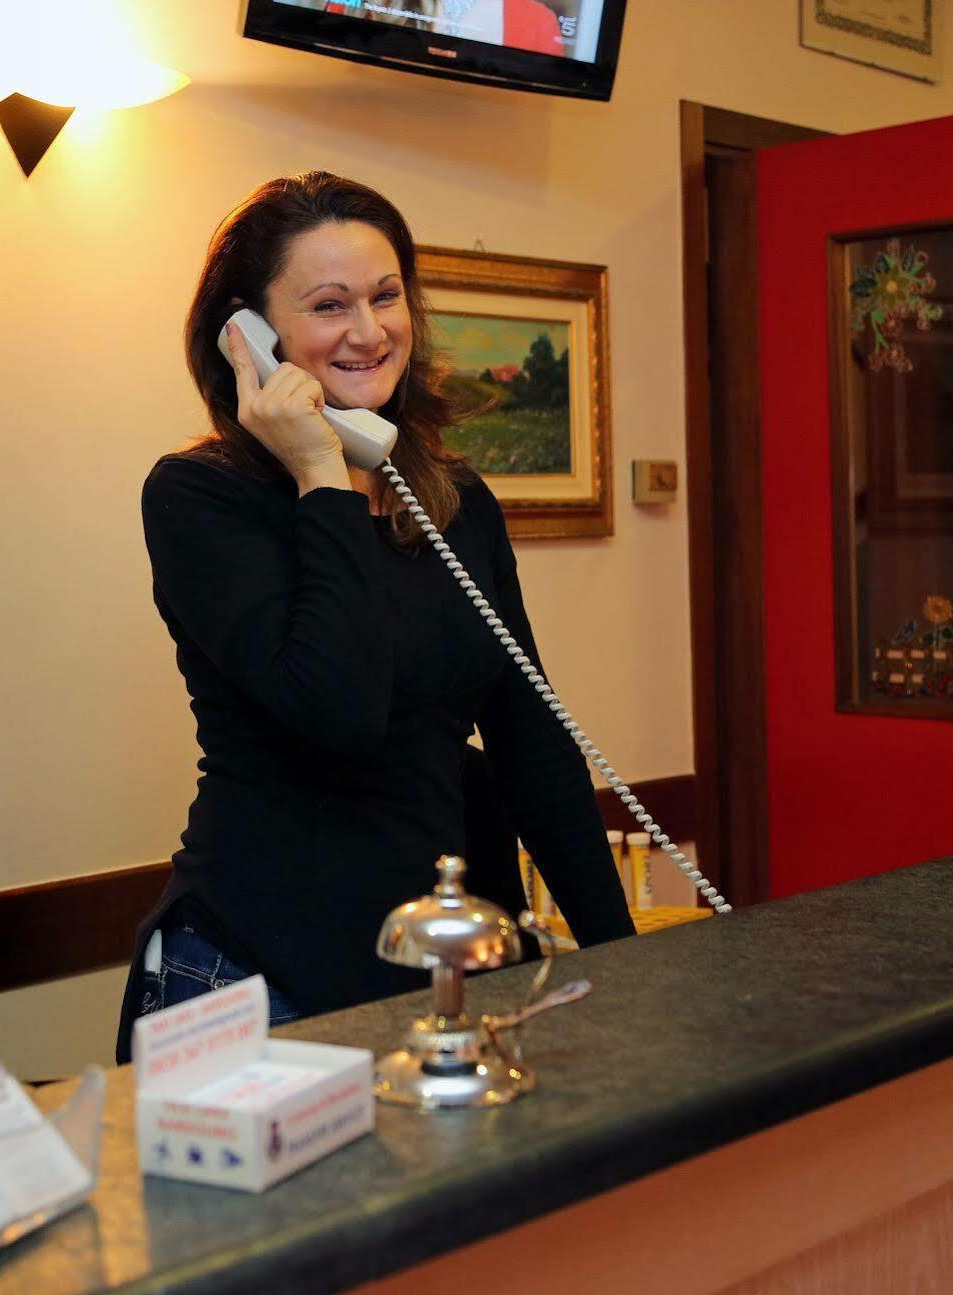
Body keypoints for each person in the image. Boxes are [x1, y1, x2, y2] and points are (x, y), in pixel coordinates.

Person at [117, 172, 632, 1062]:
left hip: (434, 962)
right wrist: (322, 473)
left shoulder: (453, 498)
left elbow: (529, 742)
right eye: (328, 305)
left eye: (385, 296)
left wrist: (627, 968)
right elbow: (338, 709)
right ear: (250, 336)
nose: (368, 330)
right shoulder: (202, 497)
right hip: (258, 969)